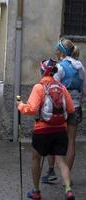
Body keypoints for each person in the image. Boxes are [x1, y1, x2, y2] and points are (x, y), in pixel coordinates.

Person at [17, 59, 75, 200]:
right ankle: (68, 189)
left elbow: (31, 109)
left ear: (42, 71)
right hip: (60, 130)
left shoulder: (39, 87)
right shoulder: (61, 87)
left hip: (42, 130)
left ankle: (36, 191)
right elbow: (71, 109)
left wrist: (20, 105)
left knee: (36, 157)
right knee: (60, 160)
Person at [41, 39, 86, 184]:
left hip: (59, 109)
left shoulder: (59, 67)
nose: (55, 51)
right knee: (71, 142)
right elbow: (84, 90)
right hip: (76, 107)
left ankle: (51, 171)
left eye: (57, 49)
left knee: (54, 138)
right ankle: (67, 177)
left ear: (61, 51)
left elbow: (51, 88)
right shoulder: (81, 68)